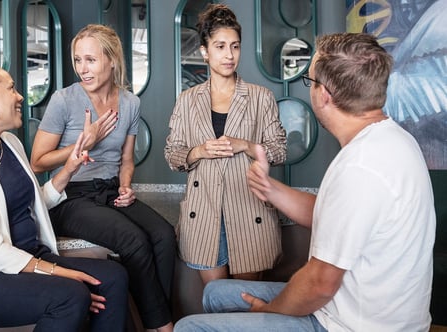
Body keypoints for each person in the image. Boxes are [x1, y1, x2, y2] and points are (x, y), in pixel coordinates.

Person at [174, 32, 436, 331]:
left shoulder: (360, 167)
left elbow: (320, 284)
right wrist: (269, 188)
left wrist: (273, 310)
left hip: (349, 324)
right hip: (363, 308)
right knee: (215, 293)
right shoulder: (394, 139)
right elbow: (334, 215)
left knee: (189, 327)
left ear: (324, 94)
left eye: (309, 81)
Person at [0, 62, 129, 332]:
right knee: (71, 295)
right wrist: (63, 273)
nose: (20, 96)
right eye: (10, 88)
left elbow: (30, 205)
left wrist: (69, 168)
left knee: (114, 277)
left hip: (31, 256)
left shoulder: (11, 143)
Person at [30, 24, 176, 332]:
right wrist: (86, 142)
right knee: (133, 240)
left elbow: (126, 159)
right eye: (78, 60)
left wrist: (125, 184)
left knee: (163, 235)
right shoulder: (63, 100)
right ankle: (161, 326)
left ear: (111, 60)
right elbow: (38, 162)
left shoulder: (130, 104)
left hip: (110, 189)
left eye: (91, 60)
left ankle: (153, 316)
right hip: (71, 196)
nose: (83, 69)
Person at [164, 3, 286, 285]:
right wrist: (199, 151)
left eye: (235, 46)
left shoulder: (260, 97)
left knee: (245, 303)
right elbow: (172, 155)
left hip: (249, 208)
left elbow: (280, 150)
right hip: (203, 212)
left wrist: (246, 144)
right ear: (205, 52)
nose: (229, 55)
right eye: (220, 46)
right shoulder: (187, 100)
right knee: (217, 298)